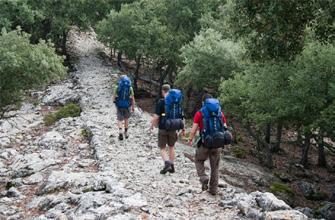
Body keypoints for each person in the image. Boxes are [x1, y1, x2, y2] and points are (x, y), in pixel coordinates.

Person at [188, 94, 227, 195]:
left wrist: (190, 139)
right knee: (215, 167)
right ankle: (213, 190)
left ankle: (203, 177)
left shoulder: (200, 113)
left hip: (205, 143)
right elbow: (225, 127)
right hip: (217, 144)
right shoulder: (220, 112)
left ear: (203, 102)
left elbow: (193, 130)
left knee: (198, 160)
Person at [151, 84, 185, 174]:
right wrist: (183, 129)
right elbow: (181, 116)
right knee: (171, 147)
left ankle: (167, 163)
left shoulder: (162, 102)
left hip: (163, 127)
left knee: (162, 147)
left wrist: (153, 125)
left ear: (163, 91)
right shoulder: (176, 103)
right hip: (174, 128)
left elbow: (156, 117)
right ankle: (172, 166)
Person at [113, 75, 135, 140]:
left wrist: (115, 102)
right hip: (127, 105)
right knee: (126, 119)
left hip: (119, 105)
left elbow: (114, 97)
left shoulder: (117, 87)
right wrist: (133, 107)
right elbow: (133, 98)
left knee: (119, 119)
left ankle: (120, 131)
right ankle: (126, 132)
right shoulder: (130, 88)